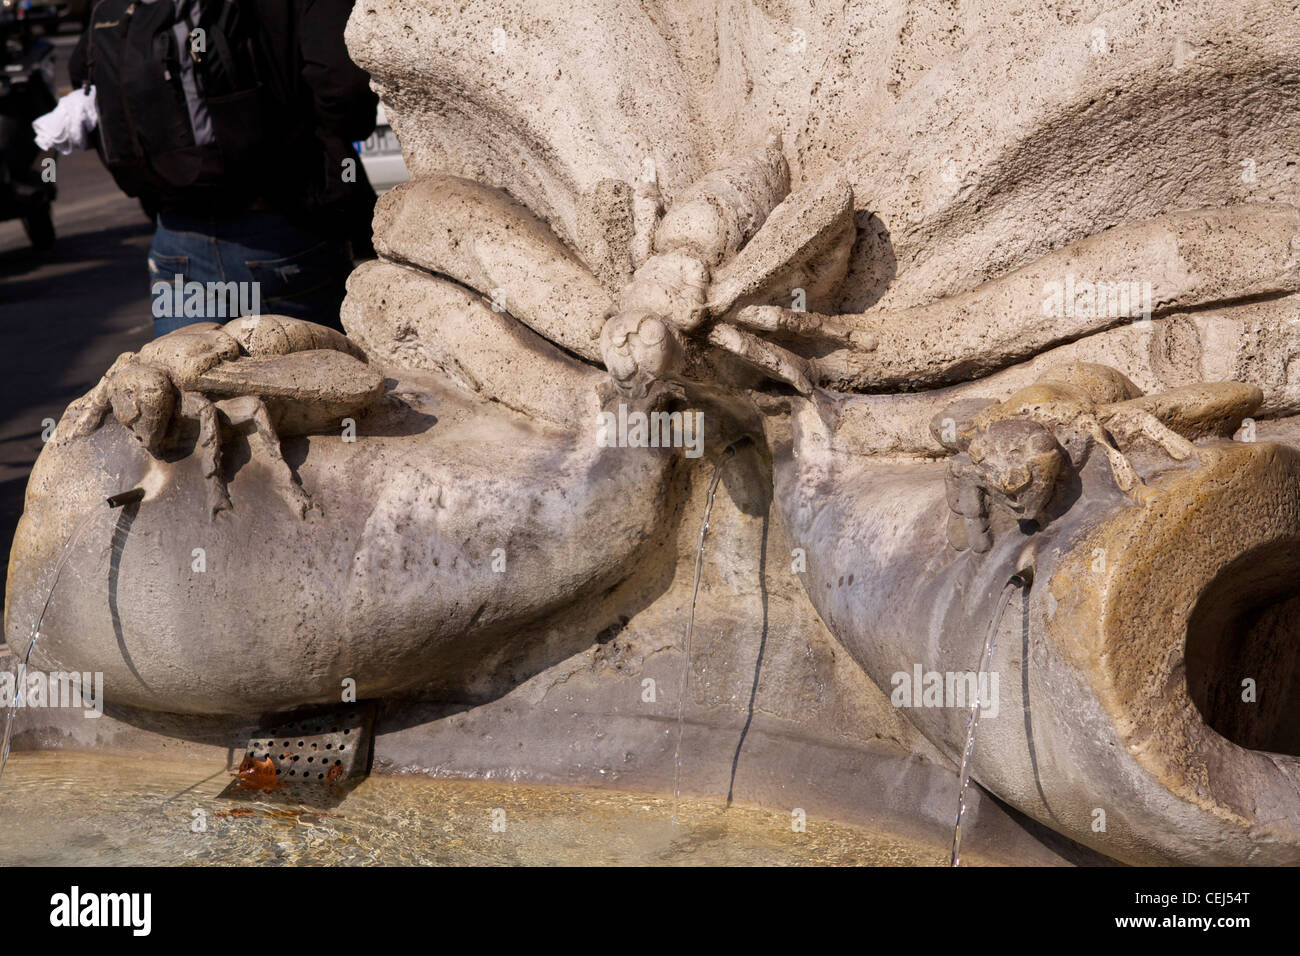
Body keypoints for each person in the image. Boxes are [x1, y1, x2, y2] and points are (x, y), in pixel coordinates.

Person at [69, 0, 378, 336]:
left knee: (194, 380)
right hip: (285, 231)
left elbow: (85, 68)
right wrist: (325, 146)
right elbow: (345, 85)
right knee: (319, 379)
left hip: (176, 238)